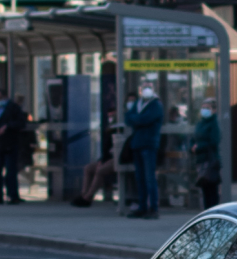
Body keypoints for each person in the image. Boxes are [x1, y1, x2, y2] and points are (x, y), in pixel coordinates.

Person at [121, 84, 165, 218]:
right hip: (137, 144)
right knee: (140, 178)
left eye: (148, 87)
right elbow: (128, 118)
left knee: (149, 177)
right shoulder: (138, 103)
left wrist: (136, 119)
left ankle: (153, 208)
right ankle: (142, 207)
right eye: (144, 87)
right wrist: (136, 119)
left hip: (149, 144)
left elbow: (145, 119)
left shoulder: (156, 105)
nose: (146, 90)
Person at [0, 92, 29, 204]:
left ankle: (13, 195)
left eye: (0, 97)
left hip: (10, 143)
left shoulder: (13, 108)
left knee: (11, 170)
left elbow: (21, 123)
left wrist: (8, 126)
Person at [66, 123, 118, 208]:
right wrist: (102, 160)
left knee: (100, 170)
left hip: (117, 159)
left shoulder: (121, 129)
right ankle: (84, 194)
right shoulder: (109, 132)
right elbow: (106, 151)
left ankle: (88, 197)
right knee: (88, 168)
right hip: (107, 159)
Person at [191, 95, 223, 208]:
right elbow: (194, 137)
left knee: (212, 188)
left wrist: (198, 147)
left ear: (213, 110)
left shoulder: (214, 123)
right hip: (201, 159)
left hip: (211, 161)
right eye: (203, 107)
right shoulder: (201, 123)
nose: (204, 110)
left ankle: (213, 210)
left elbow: (214, 141)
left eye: (207, 108)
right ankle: (207, 211)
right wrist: (193, 146)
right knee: (205, 187)